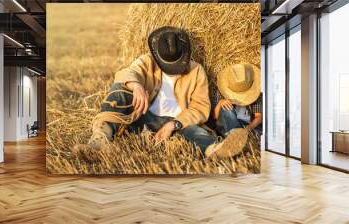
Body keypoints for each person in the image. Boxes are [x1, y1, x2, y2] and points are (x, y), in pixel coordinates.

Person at [86, 26, 247, 159]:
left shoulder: (196, 71)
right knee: (119, 89)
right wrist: (136, 85)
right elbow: (125, 73)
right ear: (158, 57)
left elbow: (200, 107)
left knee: (196, 131)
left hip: (178, 121)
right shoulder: (147, 61)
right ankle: (100, 137)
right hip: (144, 116)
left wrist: (174, 124)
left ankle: (213, 150)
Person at [212, 63, 262, 155]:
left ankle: (234, 140)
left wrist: (247, 129)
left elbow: (258, 117)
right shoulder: (222, 93)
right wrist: (220, 103)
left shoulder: (256, 95)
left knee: (259, 133)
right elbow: (215, 117)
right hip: (225, 124)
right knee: (225, 108)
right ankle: (237, 141)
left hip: (247, 126)